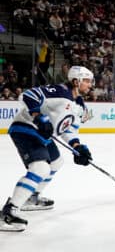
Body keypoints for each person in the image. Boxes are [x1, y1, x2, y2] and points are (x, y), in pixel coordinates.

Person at [0, 66, 94, 232]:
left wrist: (77, 147)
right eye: (86, 80)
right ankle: (8, 212)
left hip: (43, 135)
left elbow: (68, 130)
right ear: (75, 81)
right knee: (40, 168)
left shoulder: (79, 104)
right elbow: (28, 95)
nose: (89, 84)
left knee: (57, 162)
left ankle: (32, 197)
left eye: (90, 81)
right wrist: (39, 117)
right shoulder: (60, 90)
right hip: (26, 127)